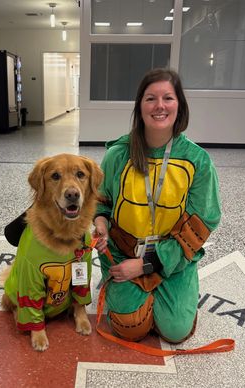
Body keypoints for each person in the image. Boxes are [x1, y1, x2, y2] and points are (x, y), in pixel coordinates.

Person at [94, 68, 221, 344]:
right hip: (124, 253)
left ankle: (174, 292)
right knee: (130, 327)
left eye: (168, 98)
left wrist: (146, 265)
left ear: (180, 106)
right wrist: (100, 223)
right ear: (140, 106)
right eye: (151, 98)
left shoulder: (197, 161)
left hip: (173, 259)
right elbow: (100, 201)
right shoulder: (117, 154)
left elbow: (202, 224)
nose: (159, 106)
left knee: (176, 330)